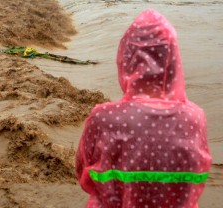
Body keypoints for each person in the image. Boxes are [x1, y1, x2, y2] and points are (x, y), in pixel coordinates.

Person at [76, 9, 211, 208]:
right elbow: (197, 181)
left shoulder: (103, 117)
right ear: (173, 61)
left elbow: (82, 171)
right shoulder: (195, 118)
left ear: (126, 59)